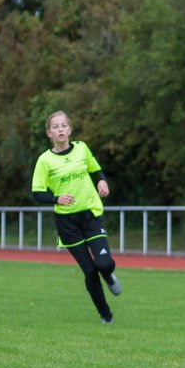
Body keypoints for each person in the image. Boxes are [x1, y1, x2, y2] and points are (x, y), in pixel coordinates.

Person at [31, 110, 122, 323]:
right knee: (90, 272)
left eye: (64, 125)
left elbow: (96, 169)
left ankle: (109, 275)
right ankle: (106, 316)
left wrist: (102, 181)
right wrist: (56, 198)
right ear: (49, 133)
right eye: (55, 127)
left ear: (69, 129)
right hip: (67, 223)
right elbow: (37, 193)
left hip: (90, 215)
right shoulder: (45, 160)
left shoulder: (82, 149)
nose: (60, 129)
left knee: (104, 264)